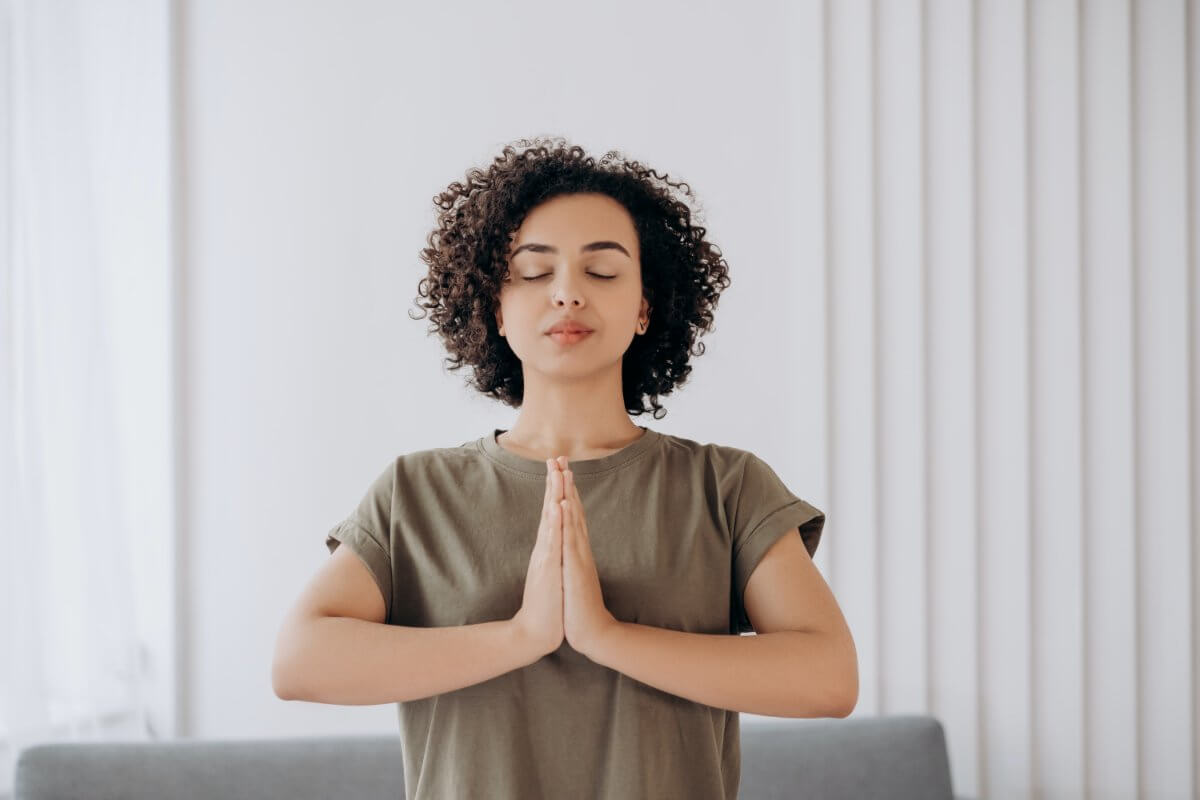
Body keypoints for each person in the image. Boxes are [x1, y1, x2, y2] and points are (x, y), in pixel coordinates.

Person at [281, 136, 853, 800]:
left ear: (645, 306)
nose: (568, 294)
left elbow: (829, 677)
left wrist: (606, 636)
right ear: (495, 305)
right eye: (534, 271)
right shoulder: (417, 492)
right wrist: (523, 636)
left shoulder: (725, 488)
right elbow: (299, 663)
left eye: (602, 272)